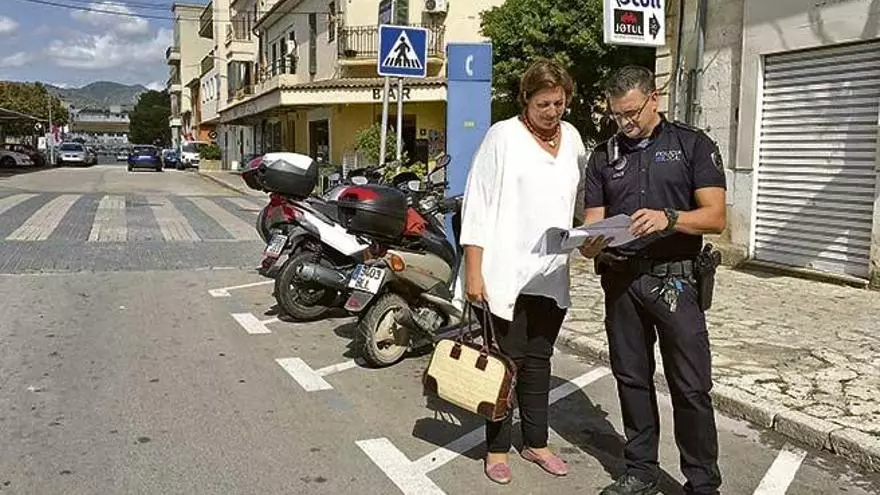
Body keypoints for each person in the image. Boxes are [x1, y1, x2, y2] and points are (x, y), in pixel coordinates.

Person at [579, 65, 726, 495]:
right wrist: (589, 243)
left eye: (632, 112)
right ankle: (641, 470)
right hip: (622, 282)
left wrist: (670, 218)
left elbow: (716, 217)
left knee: (691, 387)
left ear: (654, 99)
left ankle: (702, 482)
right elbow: (593, 222)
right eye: (617, 115)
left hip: (676, 280)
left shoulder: (692, 145)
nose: (625, 122)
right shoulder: (603, 156)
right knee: (631, 380)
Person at [457, 59, 587, 485]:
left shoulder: (572, 138)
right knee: (505, 365)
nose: (552, 112)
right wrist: (474, 272)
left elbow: (581, 199)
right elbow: (476, 205)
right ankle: (496, 449)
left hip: (551, 273)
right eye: (543, 103)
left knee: (540, 362)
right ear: (526, 100)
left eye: (559, 103)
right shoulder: (503, 137)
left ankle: (536, 442)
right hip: (504, 272)